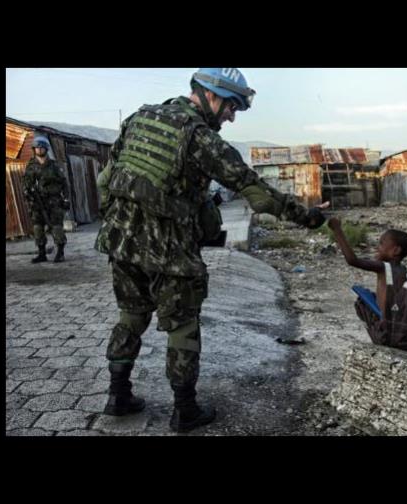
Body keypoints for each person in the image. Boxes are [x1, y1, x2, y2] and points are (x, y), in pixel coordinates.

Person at [94, 68, 327, 432]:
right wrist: (308, 217)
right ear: (211, 96)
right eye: (231, 107)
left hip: (122, 243)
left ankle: (117, 396)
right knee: (183, 327)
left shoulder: (138, 119)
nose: (232, 117)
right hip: (170, 253)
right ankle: (185, 410)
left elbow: (106, 179)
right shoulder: (201, 139)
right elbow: (258, 193)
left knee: (130, 316)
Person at [327, 217, 407, 351]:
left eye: (381, 244)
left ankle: (381, 337)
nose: (377, 247)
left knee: (362, 302)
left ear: (395, 251)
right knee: (374, 298)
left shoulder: (383, 267)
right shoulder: (406, 272)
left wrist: (337, 230)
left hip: (387, 336)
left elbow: (352, 260)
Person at [22, 136, 70, 263]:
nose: (39, 150)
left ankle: (60, 252)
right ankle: (42, 253)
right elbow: (26, 183)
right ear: (34, 149)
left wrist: (66, 199)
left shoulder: (54, 165)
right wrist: (28, 194)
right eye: (37, 148)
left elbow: (64, 183)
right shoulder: (31, 166)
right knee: (37, 228)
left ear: (46, 149)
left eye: (41, 147)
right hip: (37, 203)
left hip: (53, 201)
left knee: (56, 227)